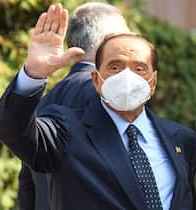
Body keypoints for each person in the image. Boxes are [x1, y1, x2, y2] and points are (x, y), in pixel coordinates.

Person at [0, 3, 196, 210]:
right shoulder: (66, 131)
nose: (127, 77)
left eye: (139, 68)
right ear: (96, 79)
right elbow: (13, 131)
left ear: (153, 82)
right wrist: (34, 73)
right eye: (115, 66)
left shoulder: (181, 140)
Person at [16, 2, 130, 210]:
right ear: (107, 44)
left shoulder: (42, 103)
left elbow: (27, 188)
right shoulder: (111, 97)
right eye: (125, 39)